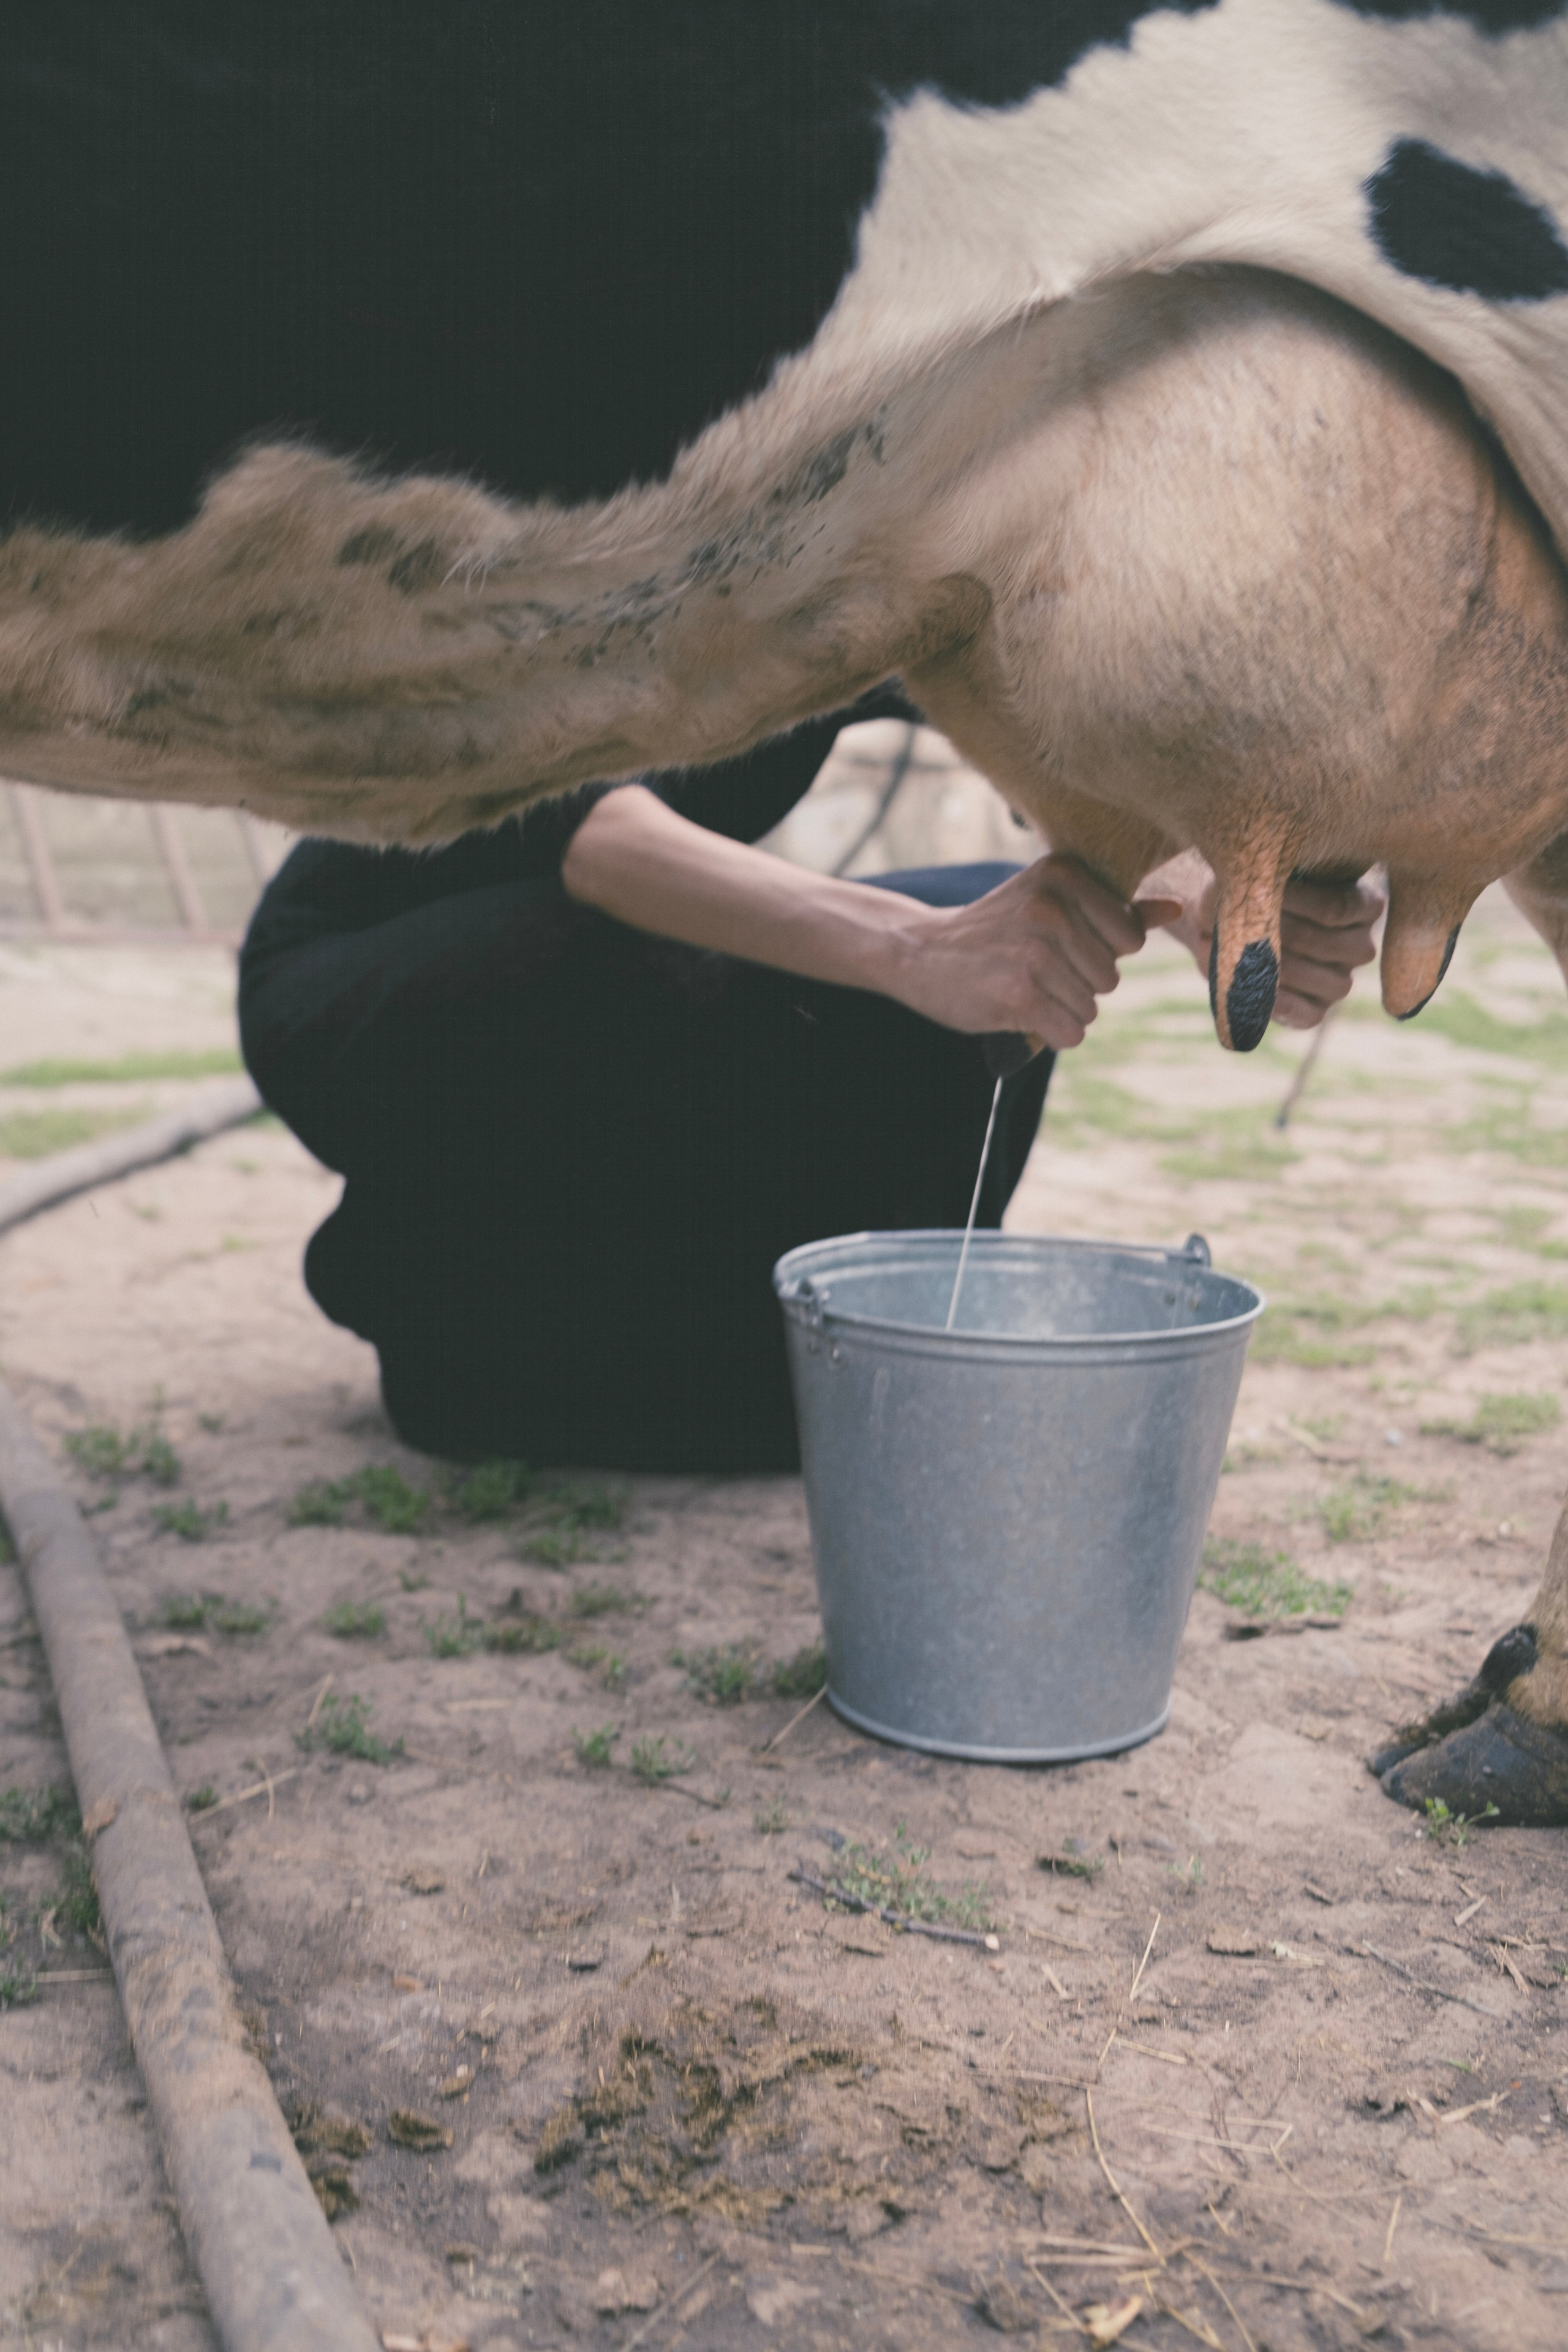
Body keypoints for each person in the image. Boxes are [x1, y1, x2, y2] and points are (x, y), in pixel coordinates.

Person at [239, 691, 1380, 1471]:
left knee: (1008, 930)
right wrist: (921, 951)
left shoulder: (883, 555)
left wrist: (1202, 894)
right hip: (356, 970)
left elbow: (1054, 746)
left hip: (564, 951)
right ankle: (430, 1290)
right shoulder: (661, 508)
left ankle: (546, 1351)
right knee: (905, 949)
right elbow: (598, 841)